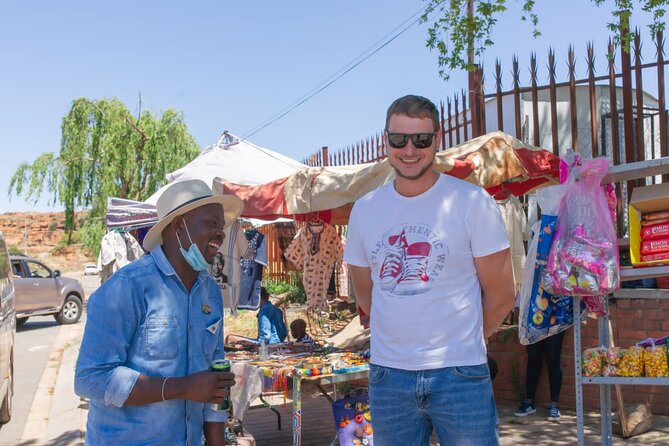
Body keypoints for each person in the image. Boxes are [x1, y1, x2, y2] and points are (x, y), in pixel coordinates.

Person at [344, 94, 515, 445]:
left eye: (421, 139)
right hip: (389, 376)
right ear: (385, 140)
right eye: (399, 139)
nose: (410, 149)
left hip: (460, 374)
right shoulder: (365, 210)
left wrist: (464, 341)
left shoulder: (471, 202)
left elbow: (502, 293)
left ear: (437, 140)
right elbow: (365, 291)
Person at [75, 179, 244, 445]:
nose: (221, 233)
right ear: (178, 226)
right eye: (211, 223)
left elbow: (215, 383)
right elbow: (91, 378)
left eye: (221, 226)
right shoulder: (128, 288)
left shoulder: (210, 291)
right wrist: (183, 387)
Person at [514, 330, 565, 422]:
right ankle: (529, 402)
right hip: (534, 323)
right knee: (533, 359)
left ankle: (554, 405)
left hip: (555, 321)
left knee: (553, 359)